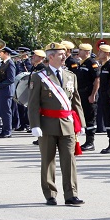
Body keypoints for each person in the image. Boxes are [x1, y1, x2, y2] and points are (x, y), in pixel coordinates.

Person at [28, 42, 86, 205]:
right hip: (47, 125)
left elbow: (76, 102)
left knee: (69, 161)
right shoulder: (39, 77)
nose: (65, 56)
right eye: (61, 54)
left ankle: (71, 194)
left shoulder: (70, 76)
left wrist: (80, 123)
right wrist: (35, 125)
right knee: (48, 161)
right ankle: (50, 194)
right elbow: (33, 104)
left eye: (65, 53)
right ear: (51, 56)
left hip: (67, 125)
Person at [76, 43, 100, 151]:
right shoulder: (82, 63)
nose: (78, 52)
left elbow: (97, 80)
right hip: (82, 94)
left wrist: (93, 95)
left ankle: (90, 142)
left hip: (89, 94)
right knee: (85, 117)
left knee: (90, 118)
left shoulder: (92, 63)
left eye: (81, 50)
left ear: (87, 52)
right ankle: (87, 140)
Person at [96, 44, 110, 154]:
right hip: (103, 96)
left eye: (101, 52)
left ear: (107, 54)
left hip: (109, 97)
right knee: (107, 119)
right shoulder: (103, 66)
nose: (99, 54)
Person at [0, 46, 16, 138]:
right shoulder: (3, 63)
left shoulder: (10, 63)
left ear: (6, 53)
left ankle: (7, 131)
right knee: (3, 111)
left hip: (6, 91)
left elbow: (11, 79)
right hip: (2, 91)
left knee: (6, 111)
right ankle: (5, 130)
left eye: (1, 52)